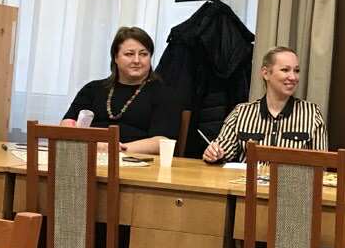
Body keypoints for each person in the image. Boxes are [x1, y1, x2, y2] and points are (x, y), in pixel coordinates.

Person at [62, 26, 181, 154]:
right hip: (87, 155)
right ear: (115, 58)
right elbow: (67, 124)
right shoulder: (92, 89)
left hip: (136, 159)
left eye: (143, 54)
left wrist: (114, 149)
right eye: (129, 54)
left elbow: (162, 141)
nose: (137, 60)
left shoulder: (164, 94)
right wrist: (92, 145)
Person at [202, 46, 327, 163]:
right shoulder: (241, 112)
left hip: (290, 180)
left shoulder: (312, 114)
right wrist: (214, 153)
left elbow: (322, 164)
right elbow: (223, 150)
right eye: (285, 70)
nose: (293, 77)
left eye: (297, 71)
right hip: (248, 180)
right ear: (266, 73)